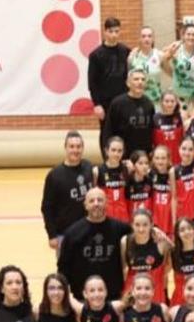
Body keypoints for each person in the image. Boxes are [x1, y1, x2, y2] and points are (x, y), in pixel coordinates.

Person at [57, 188, 133, 299]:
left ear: (107, 203)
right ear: (85, 205)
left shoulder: (121, 229)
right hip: (83, 298)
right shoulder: (72, 233)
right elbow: (63, 267)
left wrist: (156, 231)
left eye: (100, 200)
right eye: (92, 201)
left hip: (113, 296)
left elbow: (141, 232)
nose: (96, 204)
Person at [41, 131, 95, 250]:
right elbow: (46, 207)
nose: (75, 150)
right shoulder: (54, 175)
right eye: (71, 146)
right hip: (64, 235)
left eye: (78, 147)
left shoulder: (89, 167)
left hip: (88, 232)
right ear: (65, 148)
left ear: (83, 148)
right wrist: (52, 235)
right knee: (66, 268)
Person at [89, 17, 130, 149]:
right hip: (105, 103)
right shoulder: (96, 55)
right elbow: (92, 82)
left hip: (123, 100)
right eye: (111, 31)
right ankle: (107, 161)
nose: (114, 35)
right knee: (107, 132)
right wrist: (97, 104)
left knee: (124, 131)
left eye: (117, 31)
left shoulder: (126, 51)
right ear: (105, 32)